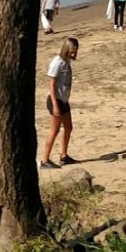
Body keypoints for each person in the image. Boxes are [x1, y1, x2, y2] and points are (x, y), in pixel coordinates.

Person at [40, 37, 79, 169]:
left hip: (64, 100)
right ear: (66, 50)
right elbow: (51, 84)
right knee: (54, 130)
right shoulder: (57, 63)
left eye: (75, 52)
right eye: (72, 52)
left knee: (68, 127)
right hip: (55, 100)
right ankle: (45, 159)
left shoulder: (67, 62)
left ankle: (64, 155)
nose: (74, 54)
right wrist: (55, 105)